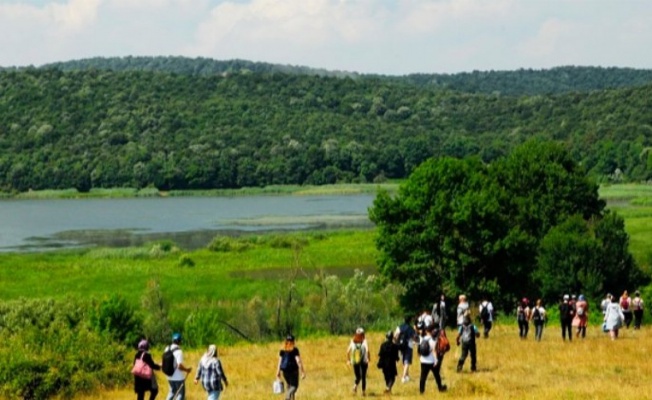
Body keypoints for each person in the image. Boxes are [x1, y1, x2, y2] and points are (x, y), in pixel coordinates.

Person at [418, 325, 447, 394]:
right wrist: (436, 360)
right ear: (431, 331)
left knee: (423, 377)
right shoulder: (433, 340)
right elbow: (434, 351)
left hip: (423, 361)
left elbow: (419, 350)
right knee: (437, 375)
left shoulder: (422, 338)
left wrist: (420, 357)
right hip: (431, 361)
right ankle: (440, 388)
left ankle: (421, 391)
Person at [276, 334, 306, 400]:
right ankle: (288, 396)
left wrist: (278, 372)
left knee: (289, 386)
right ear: (293, 341)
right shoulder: (295, 350)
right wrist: (302, 372)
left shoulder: (282, 350)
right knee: (294, 386)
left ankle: (290, 398)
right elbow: (298, 361)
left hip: (285, 371)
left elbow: (279, 362)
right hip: (293, 371)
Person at [164, 333, 192, 400]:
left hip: (169, 376)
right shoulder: (179, 351)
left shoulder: (167, 348)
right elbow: (179, 366)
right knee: (180, 395)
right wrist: (187, 370)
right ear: (179, 341)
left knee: (172, 392)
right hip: (178, 377)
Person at [347, 327, 370, 396]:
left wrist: (348, 360)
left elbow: (347, 351)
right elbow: (367, 350)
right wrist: (368, 358)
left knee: (358, 376)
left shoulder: (352, 341)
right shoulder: (364, 341)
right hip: (364, 360)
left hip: (355, 361)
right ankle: (363, 392)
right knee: (363, 377)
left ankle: (355, 386)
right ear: (363, 334)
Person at [377, 330, 400, 394]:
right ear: (392, 337)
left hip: (384, 364)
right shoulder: (395, 346)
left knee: (386, 377)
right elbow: (396, 356)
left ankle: (388, 390)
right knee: (392, 378)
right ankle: (388, 388)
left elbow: (380, 354)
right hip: (391, 364)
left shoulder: (383, 345)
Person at [396, 316, 416, 383]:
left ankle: (407, 376)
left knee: (404, 361)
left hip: (401, 346)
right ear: (410, 321)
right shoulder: (411, 328)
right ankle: (403, 377)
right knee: (407, 362)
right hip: (408, 346)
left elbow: (396, 335)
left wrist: (397, 342)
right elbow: (414, 337)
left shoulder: (400, 327)